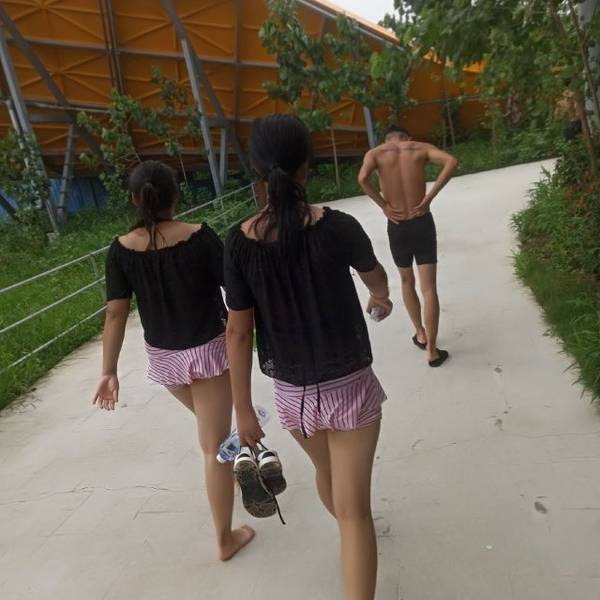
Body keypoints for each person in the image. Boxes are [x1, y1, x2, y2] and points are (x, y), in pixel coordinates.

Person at [225, 114, 392, 600]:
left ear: (257, 169)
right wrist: (381, 298)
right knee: (357, 514)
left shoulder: (239, 243)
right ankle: (355, 540)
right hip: (350, 388)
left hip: (293, 398)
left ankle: (352, 539)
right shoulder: (338, 227)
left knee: (328, 474)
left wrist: (242, 411)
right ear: (306, 166)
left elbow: (238, 331)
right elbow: (376, 277)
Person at [92, 160, 254, 561]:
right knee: (215, 446)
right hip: (209, 354)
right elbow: (236, 290)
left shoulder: (120, 250)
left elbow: (114, 314)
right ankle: (225, 539)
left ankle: (231, 473)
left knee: (211, 426)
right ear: (176, 195)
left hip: (165, 360)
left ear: (134, 199)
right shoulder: (200, 236)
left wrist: (108, 371)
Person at [358, 125, 458, 367]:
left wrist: (384, 206)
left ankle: (420, 333)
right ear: (407, 137)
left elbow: (362, 179)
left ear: (387, 139)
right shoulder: (418, 148)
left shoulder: (376, 153)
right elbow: (451, 162)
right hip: (422, 221)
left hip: (397, 225)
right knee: (429, 288)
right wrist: (429, 198)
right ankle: (432, 350)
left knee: (406, 281)